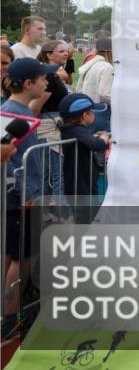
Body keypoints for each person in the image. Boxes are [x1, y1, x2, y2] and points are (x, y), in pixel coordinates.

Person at [2, 58, 58, 340]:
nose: (47, 82)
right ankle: (10, 316)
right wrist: (30, 195)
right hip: (19, 199)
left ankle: (9, 310)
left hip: (19, 196)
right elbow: (12, 161)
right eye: (42, 78)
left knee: (16, 254)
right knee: (21, 257)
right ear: (28, 83)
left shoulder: (19, 109)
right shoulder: (15, 114)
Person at [57, 93, 111, 224]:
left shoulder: (72, 129)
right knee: (85, 220)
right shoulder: (77, 130)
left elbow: (86, 140)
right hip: (80, 184)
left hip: (81, 182)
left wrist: (92, 135)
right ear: (85, 115)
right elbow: (96, 145)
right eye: (92, 112)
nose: (94, 115)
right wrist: (104, 137)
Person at [33, 40, 74, 200]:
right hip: (49, 128)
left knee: (51, 176)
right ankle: (58, 216)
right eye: (61, 51)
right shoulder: (48, 76)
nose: (66, 53)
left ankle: (48, 215)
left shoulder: (54, 74)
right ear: (49, 55)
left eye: (66, 51)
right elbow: (35, 107)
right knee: (55, 177)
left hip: (53, 126)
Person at [76, 37, 113, 134]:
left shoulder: (89, 64)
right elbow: (104, 94)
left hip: (87, 111)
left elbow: (79, 89)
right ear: (110, 52)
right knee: (102, 144)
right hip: (101, 112)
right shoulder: (107, 67)